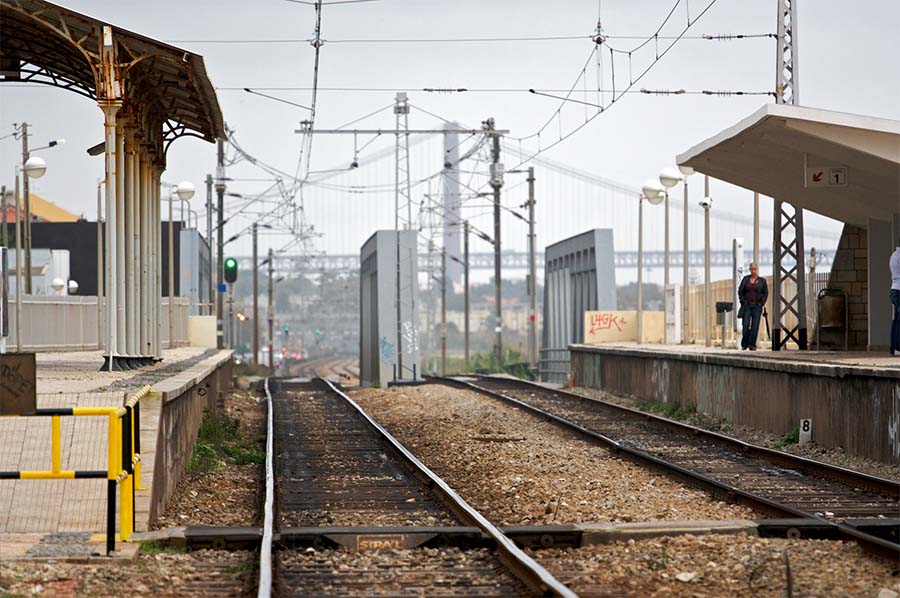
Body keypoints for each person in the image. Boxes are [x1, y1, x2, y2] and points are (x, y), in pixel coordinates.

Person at [738, 262, 768, 351]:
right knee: (746, 325)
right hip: (747, 306)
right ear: (749, 270)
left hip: (757, 306)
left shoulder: (762, 281)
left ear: (757, 270)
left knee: (755, 326)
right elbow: (740, 291)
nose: (753, 271)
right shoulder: (745, 279)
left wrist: (762, 301)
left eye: (755, 269)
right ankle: (744, 344)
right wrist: (742, 301)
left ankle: (752, 344)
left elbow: (766, 292)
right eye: (752, 269)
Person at [890, 238, 900, 355]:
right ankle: (898, 347)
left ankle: (893, 347)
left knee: (896, 319)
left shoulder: (894, 255)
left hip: (894, 288)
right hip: (899, 289)